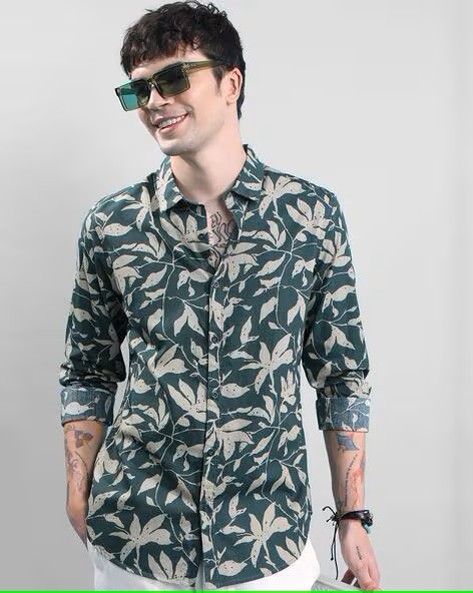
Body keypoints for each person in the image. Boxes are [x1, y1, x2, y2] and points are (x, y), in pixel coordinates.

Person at [59, 1, 381, 590]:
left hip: (267, 539)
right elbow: (87, 371)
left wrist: (352, 516)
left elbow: (341, 377)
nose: (154, 101)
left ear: (231, 83)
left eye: (173, 78)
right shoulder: (112, 223)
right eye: (138, 89)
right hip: (138, 539)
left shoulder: (310, 217)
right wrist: (77, 491)